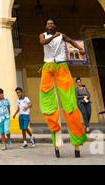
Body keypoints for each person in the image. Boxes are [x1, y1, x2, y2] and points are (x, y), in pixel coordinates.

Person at [38, 18, 87, 158]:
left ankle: (77, 143)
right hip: (48, 66)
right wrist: (54, 36)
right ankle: (56, 142)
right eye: (47, 23)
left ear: (55, 25)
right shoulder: (43, 35)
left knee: (69, 103)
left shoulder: (61, 35)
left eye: (52, 23)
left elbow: (71, 41)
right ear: (46, 26)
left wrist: (80, 49)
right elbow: (42, 42)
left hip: (61, 66)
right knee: (48, 101)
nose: (50, 25)